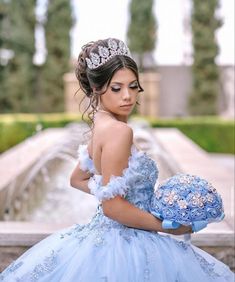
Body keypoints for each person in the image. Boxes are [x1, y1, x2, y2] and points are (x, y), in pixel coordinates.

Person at [0, 38, 234, 282]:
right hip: (127, 244)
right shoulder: (119, 131)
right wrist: (170, 226)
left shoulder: (100, 125)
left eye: (133, 86)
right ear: (96, 89)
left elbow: (77, 178)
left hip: (100, 236)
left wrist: (111, 194)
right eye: (117, 88)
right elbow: (113, 207)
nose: (128, 96)